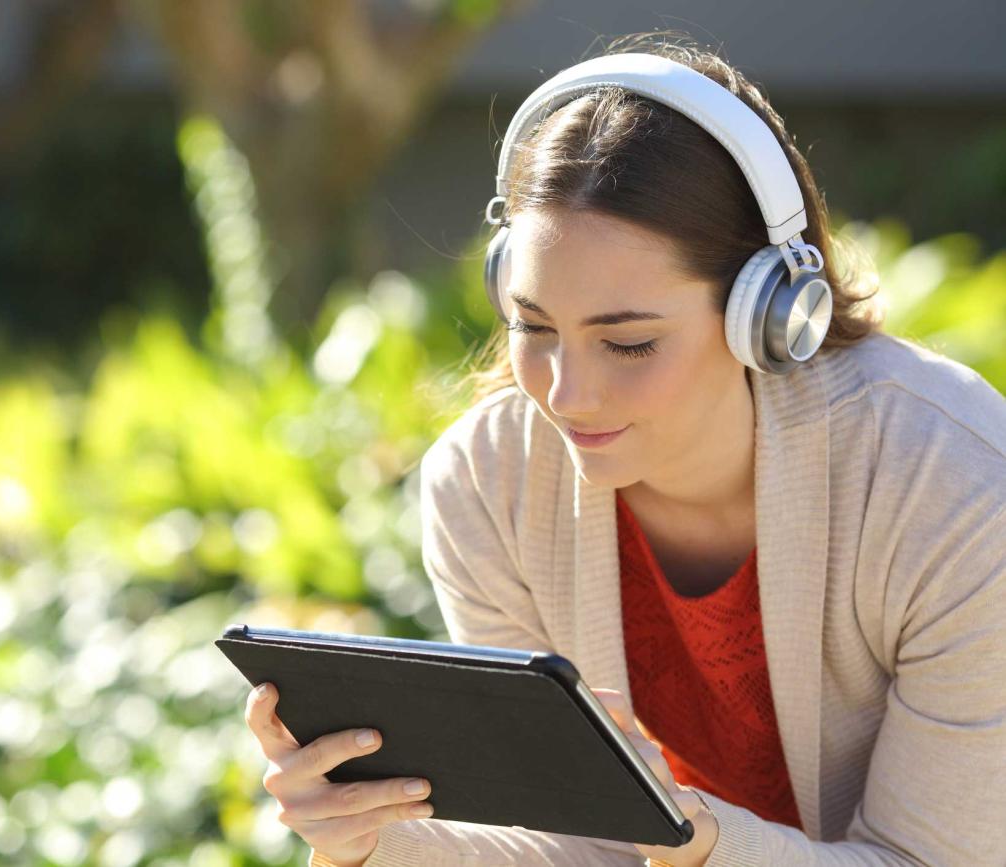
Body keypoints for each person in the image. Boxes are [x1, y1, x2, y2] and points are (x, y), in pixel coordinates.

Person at [243, 31, 1006, 866]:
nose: (565, 395)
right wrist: (370, 839)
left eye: (630, 343)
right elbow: (576, 849)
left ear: (772, 313)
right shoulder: (488, 484)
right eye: (534, 327)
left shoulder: (952, 483)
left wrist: (700, 837)